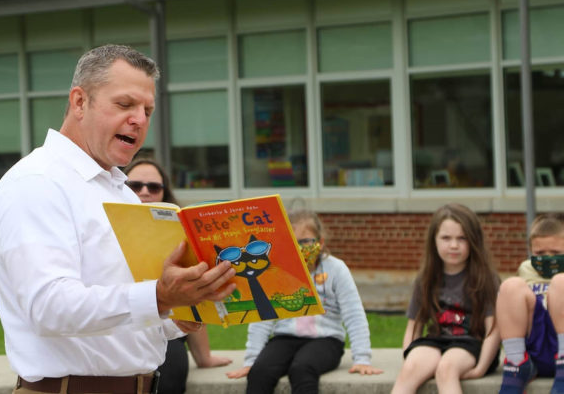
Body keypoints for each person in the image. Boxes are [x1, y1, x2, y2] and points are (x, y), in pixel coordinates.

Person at [0, 44, 236, 394]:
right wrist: (160, 297)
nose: (140, 119)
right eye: (125, 104)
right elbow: (49, 308)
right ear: (79, 102)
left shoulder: (120, 189)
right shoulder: (37, 182)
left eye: (147, 110)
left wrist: (179, 314)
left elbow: (126, 312)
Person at [225, 209, 383, 393]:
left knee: (302, 369)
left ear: (320, 243)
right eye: (292, 243)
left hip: (326, 340)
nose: (299, 248)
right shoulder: (277, 272)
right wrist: (251, 360)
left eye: (305, 241)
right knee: (260, 373)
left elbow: (353, 313)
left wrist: (362, 359)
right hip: (284, 338)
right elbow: (263, 317)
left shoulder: (336, 269)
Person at [123, 158, 232, 393]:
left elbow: (194, 294)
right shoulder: (102, 229)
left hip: (169, 334)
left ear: (164, 192)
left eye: (154, 187)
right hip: (120, 331)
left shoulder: (180, 235)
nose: (145, 192)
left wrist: (204, 358)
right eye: (135, 185)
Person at [391, 203, 501, 394]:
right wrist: (409, 358)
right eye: (446, 238)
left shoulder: (486, 278)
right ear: (434, 240)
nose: (453, 245)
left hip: (471, 343)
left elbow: (494, 329)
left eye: (462, 238)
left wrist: (481, 367)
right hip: (436, 341)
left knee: (446, 369)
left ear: (474, 241)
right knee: (410, 370)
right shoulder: (425, 278)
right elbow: (414, 327)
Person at [496, 212, 564, 394]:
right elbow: (505, 318)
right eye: (540, 253)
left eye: (556, 253)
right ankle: (516, 365)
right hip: (534, 349)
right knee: (510, 285)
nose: (548, 258)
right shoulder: (526, 271)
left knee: (560, 282)